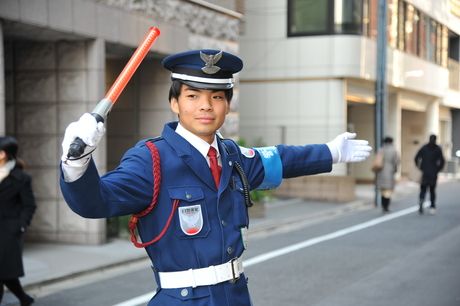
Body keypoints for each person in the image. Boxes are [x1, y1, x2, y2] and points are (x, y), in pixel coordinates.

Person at [59, 49, 372, 306]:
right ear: (174, 103)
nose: (206, 106)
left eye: (217, 97)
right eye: (193, 96)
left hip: (235, 296)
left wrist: (331, 152)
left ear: (227, 104)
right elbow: (95, 202)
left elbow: (281, 159)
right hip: (181, 300)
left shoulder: (232, 156)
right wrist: (77, 163)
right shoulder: (151, 159)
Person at [0, 136, 36, 306]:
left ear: (2, 154)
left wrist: (20, 226)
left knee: (3, 272)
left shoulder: (21, 178)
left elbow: (29, 205)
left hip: (8, 232)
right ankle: (24, 298)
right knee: (5, 273)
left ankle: (24, 298)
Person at [414, 134, 445, 214]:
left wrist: (420, 167)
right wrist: (438, 169)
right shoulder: (438, 149)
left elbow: (416, 157)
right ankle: (432, 206)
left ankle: (421, 200)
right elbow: (442, 160)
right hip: (433, 172)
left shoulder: (424, 148)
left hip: (425, 172)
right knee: (432, 190)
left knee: (423, 189)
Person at [375, 136, 400, 212]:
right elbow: (396, 161)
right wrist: (395, 170)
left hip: (381, 171)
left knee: (383, 190)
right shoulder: (393, 150)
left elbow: (377, 160)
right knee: (388, 190)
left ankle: (383, 205)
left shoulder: (381, 149)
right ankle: (386, 206)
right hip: (390, 171)